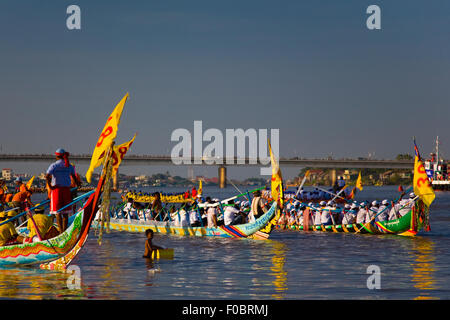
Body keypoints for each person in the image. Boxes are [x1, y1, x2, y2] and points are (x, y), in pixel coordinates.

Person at [46, 148, 80, 234]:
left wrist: (50, 186)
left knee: (58, 212)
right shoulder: (69, 165)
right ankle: (65, 231)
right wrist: (78, 184)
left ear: (57, 156)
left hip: (56, 190)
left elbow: (47, 176)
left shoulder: (54, 165)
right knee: (65, 212)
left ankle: (61, 231)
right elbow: (74, 176)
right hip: (66, 190)